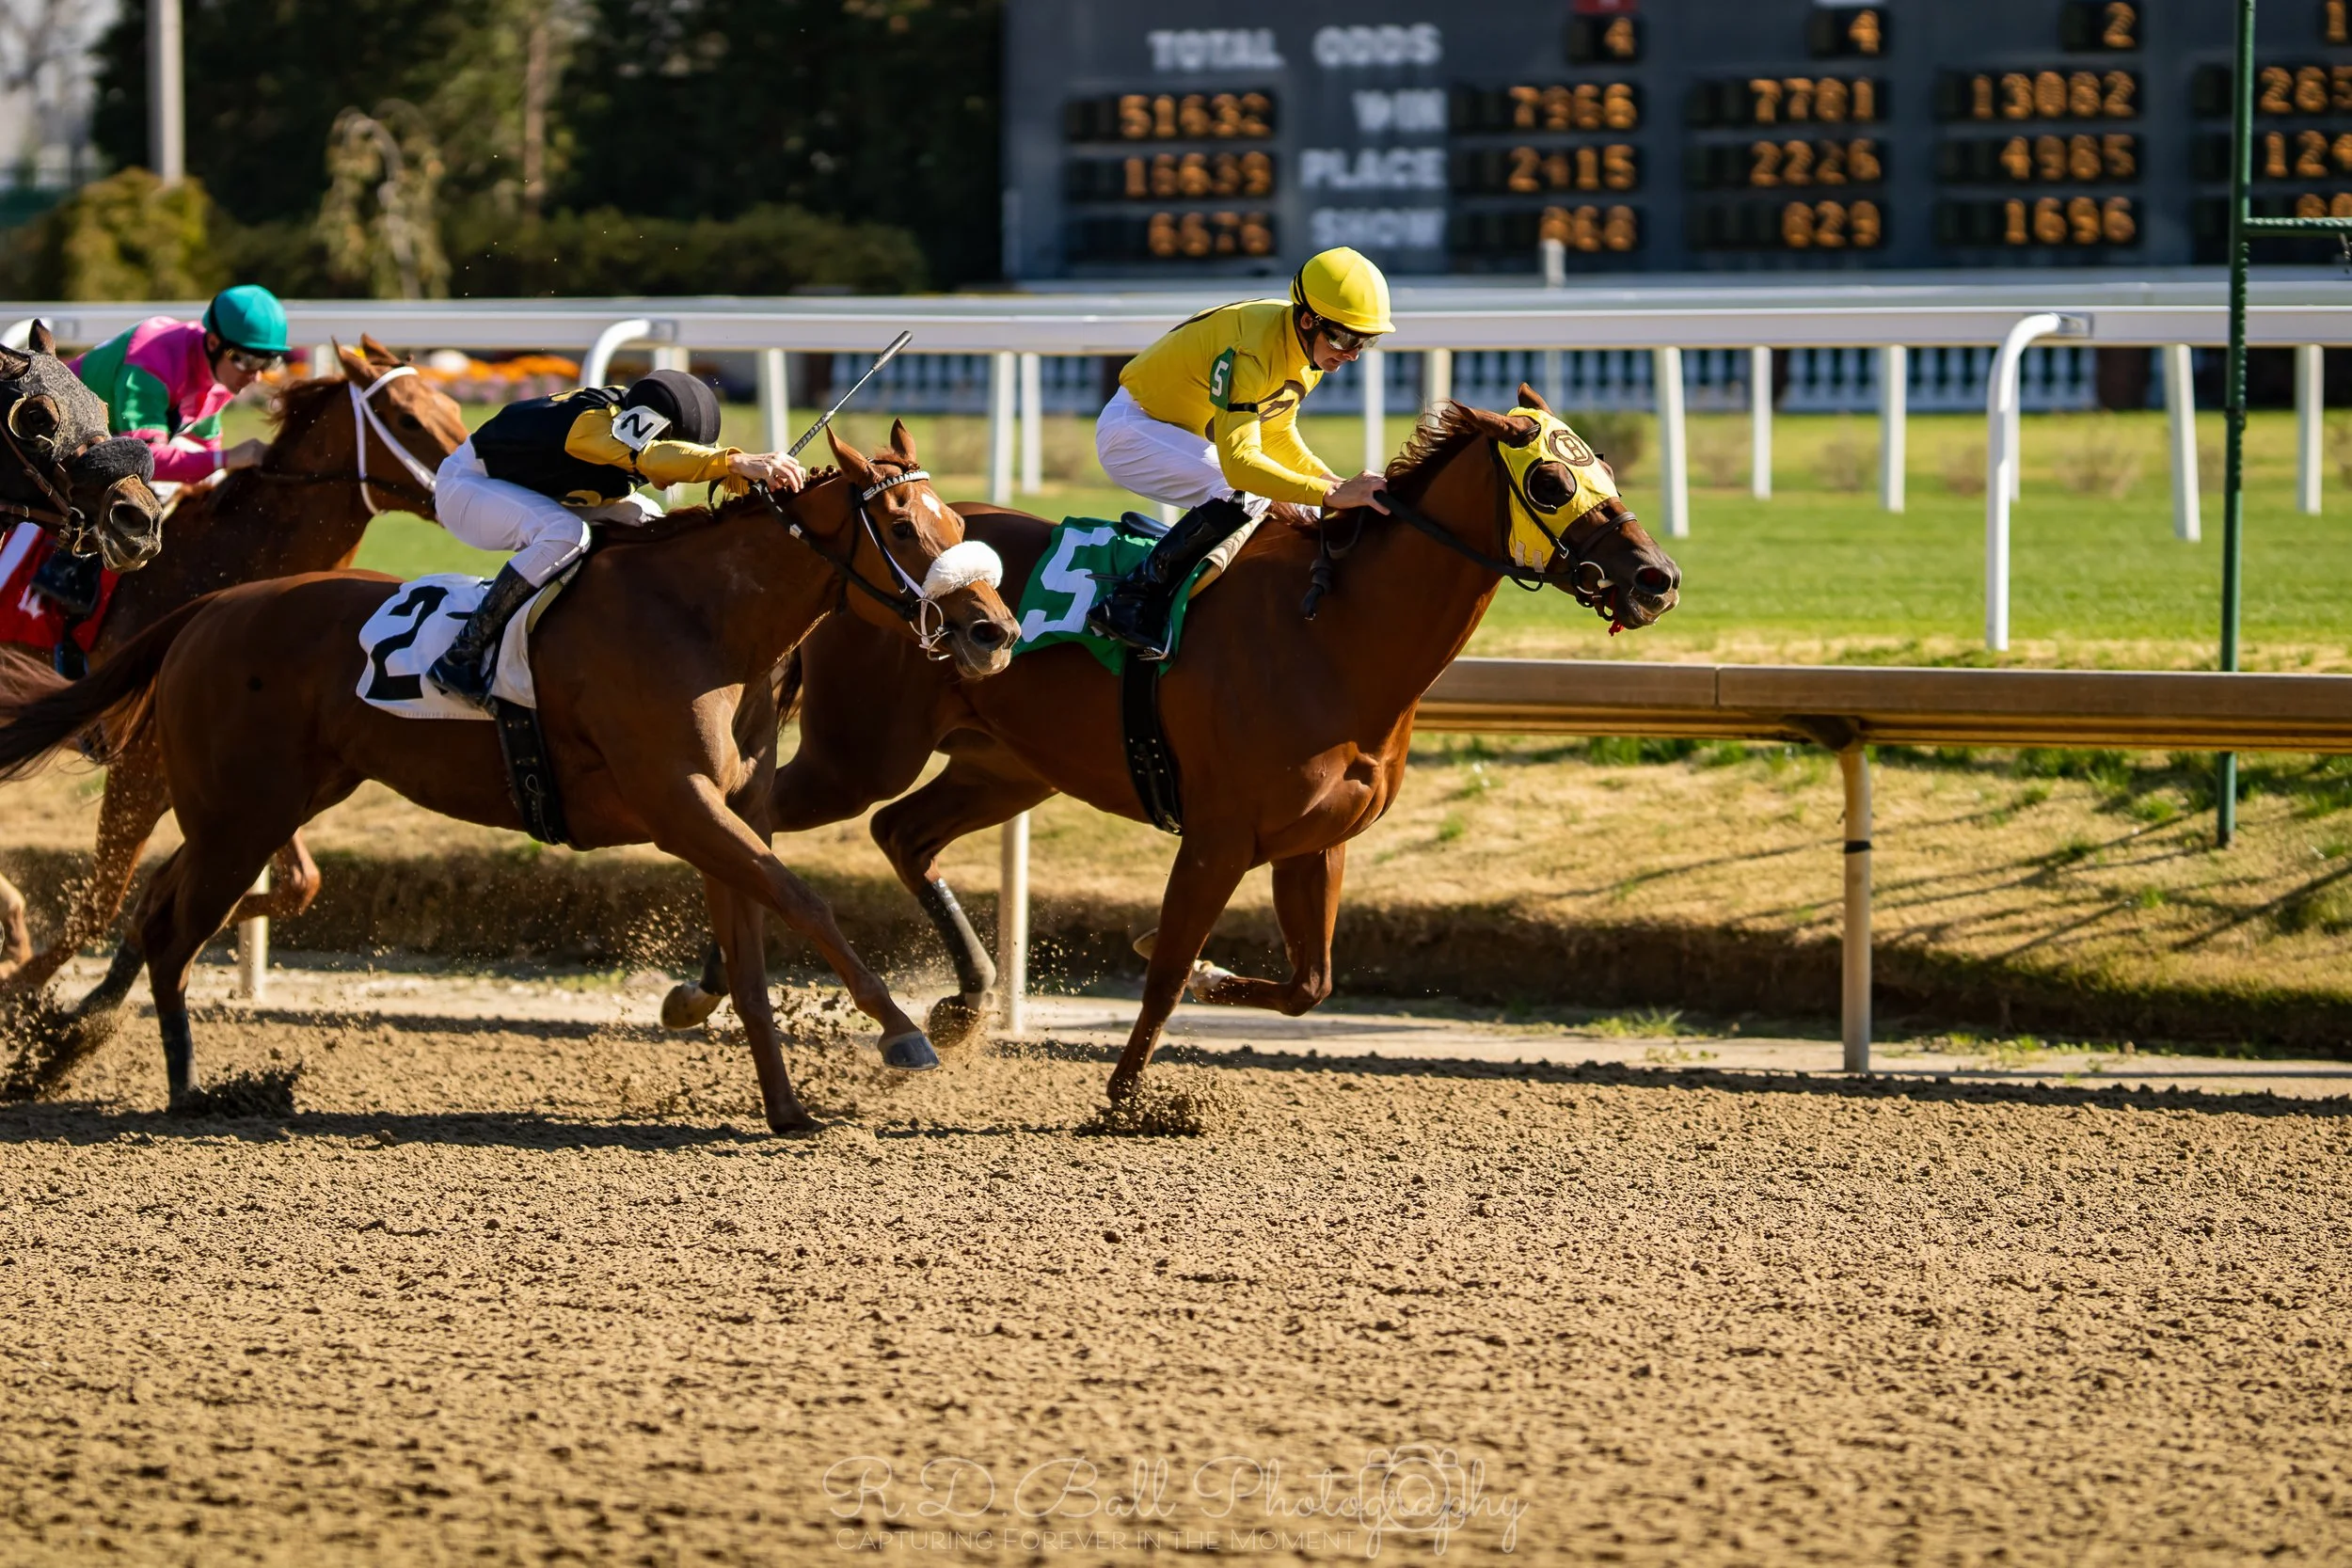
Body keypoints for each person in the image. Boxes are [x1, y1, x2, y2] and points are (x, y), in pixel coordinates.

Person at [1086, 245, 1396, 659]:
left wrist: (1332, 485)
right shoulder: (1251, 351)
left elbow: (1277, 437)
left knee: (1304, 511)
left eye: (1366, 341)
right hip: (1133, 431)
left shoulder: (1308, 354)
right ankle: (1131, 600)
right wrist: (1330, 493)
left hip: (1175, 433)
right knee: (1243, 492)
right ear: (1308, 320)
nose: (1352, 353)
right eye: (1345, 337)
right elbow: (1241, 468)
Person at [425, 369, 803, 704]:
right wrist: (734, 461)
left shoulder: (639, 418)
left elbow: (702, 464)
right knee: (566, 534)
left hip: (541, 492)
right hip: (468, 488)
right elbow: (656, 457)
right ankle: (464, 652)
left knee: (653, 523)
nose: (673, 478)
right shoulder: (591, 425)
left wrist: (766, 478)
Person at [69, 282, 286, 487]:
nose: (256, 376)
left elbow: (204, 446)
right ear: (213, 343)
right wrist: (226, 459)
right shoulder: (152, 362)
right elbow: (139, 459)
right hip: (60, 435)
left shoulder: (224, 376)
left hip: (108, 442)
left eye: (267, 363)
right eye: (248, 361)